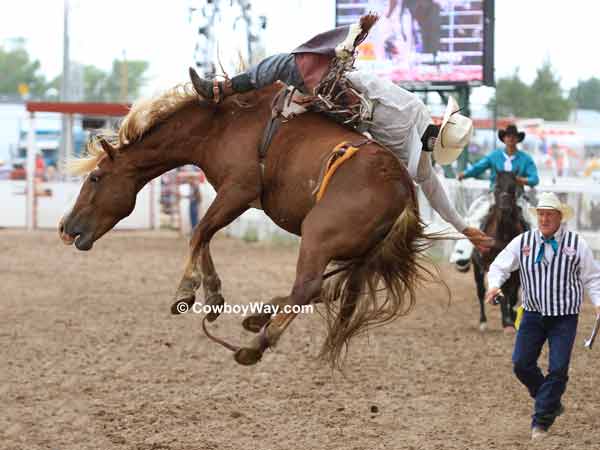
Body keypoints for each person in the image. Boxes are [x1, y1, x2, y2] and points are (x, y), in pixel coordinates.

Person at [188, 18, 492, 252]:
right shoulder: (421, 163)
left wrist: (338, 63)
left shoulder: (413, 110)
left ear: (442, 122)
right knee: (295, 94)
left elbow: (368, 85)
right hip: (348, 117)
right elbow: (433, 190)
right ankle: (294, 107)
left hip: (345, 106)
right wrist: (463, 227)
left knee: (280, 64)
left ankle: (221, 89)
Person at [484, 192, 600, 440]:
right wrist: (494, 285)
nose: (545, 218)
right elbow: (499, 266)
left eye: (549, 214)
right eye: (541, 214)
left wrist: (599, 303)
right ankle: (550, 402)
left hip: (564, 317)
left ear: (560, 217)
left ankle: (541, 421)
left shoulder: (576, 244)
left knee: (558, 369)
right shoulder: (522, 242)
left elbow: (593, 277)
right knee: (521, 364)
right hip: (532, 314)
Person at [450, 124, 540, 269]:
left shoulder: (526, 159)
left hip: (517, 197)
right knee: (474, 217)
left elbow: (535, 179)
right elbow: (479, 167)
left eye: (513, 137)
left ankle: (537, 257)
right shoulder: (495, 156)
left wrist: (519, 180)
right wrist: (465, 174)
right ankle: (463, 254)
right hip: (495, 196)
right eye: (508, 136)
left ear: (517, 139)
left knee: (534, 221)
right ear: (504, 139)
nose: (510, 139)